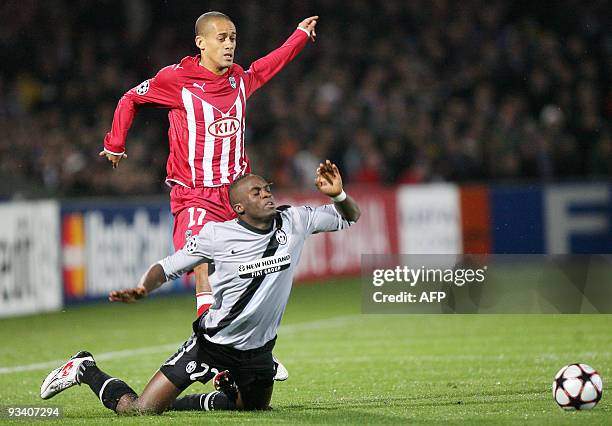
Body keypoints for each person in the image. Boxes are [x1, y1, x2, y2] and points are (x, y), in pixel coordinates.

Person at [40, 160, 360, 414]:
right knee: (138, 411)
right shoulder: (217, 236)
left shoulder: (295, 220)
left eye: (266, 188)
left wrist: (339, 196)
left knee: (253, 410)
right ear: (239, 208)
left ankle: (197, 397)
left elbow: (349, 217)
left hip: (260, 351)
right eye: (256, 192)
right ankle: (86, 369)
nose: (265, 194)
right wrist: (142, 288)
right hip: (212, 344)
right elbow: (166, 267)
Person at [100, 11, 318, 378]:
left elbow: (269, 65)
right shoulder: (176, 80)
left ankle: (249, 350)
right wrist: (115, 142)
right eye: (221, 38)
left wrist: (297, 36)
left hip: (237, 197)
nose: (230, 44)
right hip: (195, 195)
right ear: (201, 42)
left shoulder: (238, 80)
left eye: (233, 37)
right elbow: (129, 98)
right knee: (202, 259)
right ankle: (212, 349)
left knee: (250, 272)